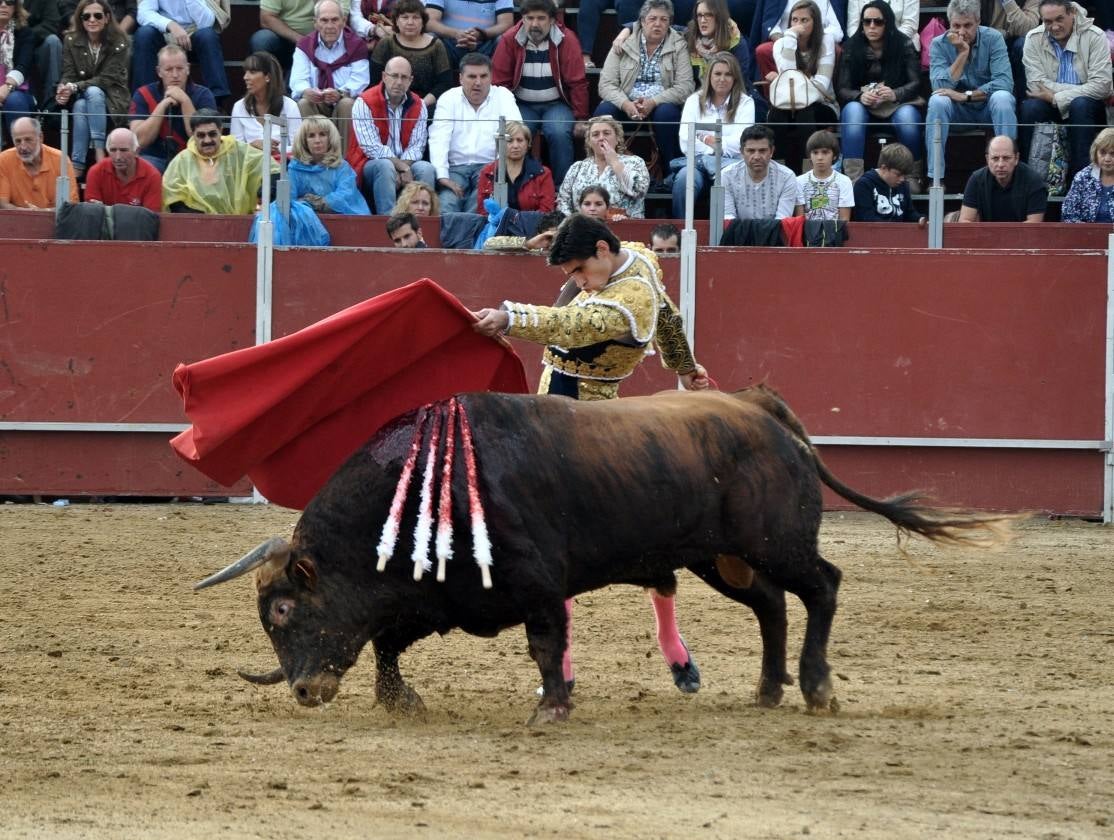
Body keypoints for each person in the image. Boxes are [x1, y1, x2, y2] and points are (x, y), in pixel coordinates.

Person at [470, 213, 709, 695]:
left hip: (593, 423)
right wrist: (684, 367)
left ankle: (669, 638)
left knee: (640, 538)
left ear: (602, 252)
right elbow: (668, 317)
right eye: (571, 275)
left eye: (579, 271)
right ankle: (563, 664)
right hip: (548, 404)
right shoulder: (634, 255)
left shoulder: (630, 299)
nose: (578, 283)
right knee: (546, 538)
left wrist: (511, 317)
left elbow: (574, 323)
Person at [491, 0, 588, 187]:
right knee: (516, 135)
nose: (535, 24)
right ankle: (520, 188)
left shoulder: (567, 39)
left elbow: (578, 82)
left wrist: (581, 117)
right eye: (530, 18)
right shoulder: (509, 39)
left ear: (552, 20)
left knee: (559, 132)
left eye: (541, 18)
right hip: (521, 104)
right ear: (522, 18)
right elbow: (499, 84)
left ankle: (563, 190)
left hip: (556, 104)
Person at [1019, 0, 1112, 185]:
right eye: (1047, 21)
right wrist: (1076, 90)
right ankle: (1032, 181)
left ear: (1072, 14)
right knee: (1030, 108)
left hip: (1088, 106)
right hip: (1050, 104)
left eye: (1059, 19)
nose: (1054, 26)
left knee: (1081, 104)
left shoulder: (1095, 35)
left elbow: (1102, 86)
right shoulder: (1033, 38)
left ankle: (1082, 181)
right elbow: (1035, 86)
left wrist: (1056, 97)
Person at [925, 0, 1016, 185]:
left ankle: (1011, 171)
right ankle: (936, 178)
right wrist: (962, 53)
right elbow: (940, 86)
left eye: (967, 25)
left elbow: (1005, 83)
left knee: (1003, 98)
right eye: (956, 26)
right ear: (949, 24)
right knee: (937, 101)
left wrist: (965, 95)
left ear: (978, 21)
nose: (961, 32)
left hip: (987, 109)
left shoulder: (994, 38)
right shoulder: (938, 44)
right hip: (958, 112)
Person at [595, 0, 695, 166]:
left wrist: (653, 102)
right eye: (652, 19)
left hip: (660, 103)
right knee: (604, 111)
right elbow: (605, 84)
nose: (658, 24)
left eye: (664, 20)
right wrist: (625, 104)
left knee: (667, 114)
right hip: (626, 100)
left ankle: (671, 169)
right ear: (641, 22)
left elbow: (685, 87)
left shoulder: (679, 44)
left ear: (670, 23)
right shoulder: (622, 43)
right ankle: (603, 167)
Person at [836, 0, 923, 185]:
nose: (872, 26)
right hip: (863, 106)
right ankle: (853, 180)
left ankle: (912, 176)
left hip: (897, 104)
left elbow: (916, 82)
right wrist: (860, 96)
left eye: (878, 22)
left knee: (908, 118)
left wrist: (895, 93)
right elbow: (842, 88)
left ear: (888, 23)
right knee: (852, 112)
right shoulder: (851, 47)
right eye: (867, 22)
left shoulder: (904, 44)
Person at [428, 51, 521, 213]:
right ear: (460, 78)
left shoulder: (504, 96)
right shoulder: (448, 98)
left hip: (491, 168)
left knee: (477, 208)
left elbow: (515, 132)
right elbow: (438, 139)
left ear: (491, 77)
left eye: (483, 76)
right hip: (455, 168)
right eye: (472, 77)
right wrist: (442, 176)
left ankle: (469, 238)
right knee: (446, 207)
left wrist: (499, 169)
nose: (478, 82)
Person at [348, 55, 435, 214]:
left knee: (426, 168)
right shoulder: (364, 101)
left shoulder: (419, 104)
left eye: (404, 77)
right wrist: (400, 167)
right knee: (385, 165)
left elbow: (418, 145)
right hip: (370, 165)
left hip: (405, 163)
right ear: (384, 77)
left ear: (410, 80)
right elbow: (371, 147)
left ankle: (423, 222)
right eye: (394, 76)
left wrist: (404, 168)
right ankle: (389, 221)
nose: (399, 82)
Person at [672, 50, 753, 218]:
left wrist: (706, 139)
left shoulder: (746, 102)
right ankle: (680, 232)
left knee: (729, 180)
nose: (722, 79)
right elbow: (686, 139)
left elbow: (743, 142)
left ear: (735, 78)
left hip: (730, 163)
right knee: (683, 180)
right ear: (709, 76)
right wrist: (716, 148)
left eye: (728, 74)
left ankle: (727, 234)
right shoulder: (694, 100)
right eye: (717, 73)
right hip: (697, 162)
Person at [55, 0, 130, 179]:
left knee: (93, 92)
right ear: (80, 20)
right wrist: (63, 88)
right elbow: (69, 73)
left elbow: (106, 80)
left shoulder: (119, 42)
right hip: (83, 97)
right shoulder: (71, 40)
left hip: (113, 99)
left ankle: (97, 154)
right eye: (86, 16)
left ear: (107, 18)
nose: (92, 20)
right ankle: (79, 165)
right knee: (81, 104)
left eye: (97, 15)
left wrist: (75, 86)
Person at [764, 0, 839, 173]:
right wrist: (790, 38)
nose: (798, 25)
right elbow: (788, 74)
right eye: (794, 20)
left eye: (804, 20)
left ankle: (808, 174)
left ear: (815, 23)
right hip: (787, 104)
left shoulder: (825, 41)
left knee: (805, 113)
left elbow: (821, 86)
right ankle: (779, 173)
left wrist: (791, 83)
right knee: (775, 115)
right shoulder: (781, 44)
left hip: (822, 103)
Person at [611, 0, 753, 86]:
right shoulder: (690, 34)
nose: (703, 20)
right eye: (699, 15)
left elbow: (741, 84)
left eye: (709, 15)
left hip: (733, 97)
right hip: (699, 97)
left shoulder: (736, 42)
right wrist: (627, 30)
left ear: (720, 17)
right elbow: (658, 25)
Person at [162, 108, 277, 214]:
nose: (207, 140)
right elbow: (173, 197)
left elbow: (273, 169)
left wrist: (266, 191)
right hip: (197, 225)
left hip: (239, 224)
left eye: (212, 134)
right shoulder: (182, 160)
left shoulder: (240, 151)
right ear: (192, 134)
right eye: (201, 135)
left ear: (221, 130)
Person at [128, 44, 216, 173]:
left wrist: (185, 100)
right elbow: (139, 141)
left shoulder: (203, 94)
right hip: (153, 158)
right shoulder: (143, 94)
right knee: (143, 167)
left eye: (180, 68)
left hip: (192, 158)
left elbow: (203, 140)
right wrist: (163, 105)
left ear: (188, 69)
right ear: (159, 72)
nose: (175, 75)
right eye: (169, 69)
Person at [290, 0, 369, 136]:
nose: (330, 26)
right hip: (317, 102)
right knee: (304, 103)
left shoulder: (356, 45)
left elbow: (360, 80)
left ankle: (345, 157)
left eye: (334, 20)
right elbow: (298, 79)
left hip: (343, 101)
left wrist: (340, 93)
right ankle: (312, 156)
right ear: (315, 23)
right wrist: (307, 91)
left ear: (344, 21)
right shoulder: (304, 45)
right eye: (324, 20)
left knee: (347, 104)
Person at [131, 0, 229, 100]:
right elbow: (144, 14)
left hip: (193, 34)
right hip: (163, 33)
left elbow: (206, 22)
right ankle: (143, 100)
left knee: (208, 36)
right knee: (144, 34)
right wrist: (170, 25)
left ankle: (217, 101)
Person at [557, 114, 651, 217]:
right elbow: (563, 201)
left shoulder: (635, 162)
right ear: (589, 142)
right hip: (582, 228)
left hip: (624, 228)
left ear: (617, 139)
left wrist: (614, 162)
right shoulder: (577, 168)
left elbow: (638, 191)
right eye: (595, 135)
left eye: (606, 133)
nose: (601, 138)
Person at [368, 0, 452, 109]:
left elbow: (444, 83)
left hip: (426, 104)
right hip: (389, 102)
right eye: (405, 17)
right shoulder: (386, 43)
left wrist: (421, 104)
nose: (410, 22)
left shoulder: (436, 45)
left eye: (416, 17)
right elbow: (375, 81)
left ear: (423, 21)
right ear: (396, 21)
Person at [958, 134, 1047, 221]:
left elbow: (1034, 226)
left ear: (1016, 158)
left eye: (1006, 158)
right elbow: (965, 221)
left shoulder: (1033, 181)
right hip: (986, 235)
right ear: (987, 159)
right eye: (995, 158)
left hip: (1021, 235)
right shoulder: (976, 180)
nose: (1000, 164)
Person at [475, 119, 556, 213]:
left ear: (528, 143)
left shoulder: (543, 173)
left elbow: (546, 211)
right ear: (500, 144)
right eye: (510, 141)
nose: (515, 145)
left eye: (520, 140)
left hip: (532, 226)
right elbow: (482, 211)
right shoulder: (488, 172)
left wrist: (518, 221)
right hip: (496, 226)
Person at [232, 51, 302, 158]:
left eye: (252, 72)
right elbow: (235, 149)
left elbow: (298, 147)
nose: (245, 77)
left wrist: (274, 148)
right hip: (250, 168)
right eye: (246, 72)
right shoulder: (239, 107)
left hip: (282, 167)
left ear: (268, 76)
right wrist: (252, 146)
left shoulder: (290, 106)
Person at [0, 116, 79, 208]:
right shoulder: (4, 160)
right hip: (17, 221)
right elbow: (2, 204)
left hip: (54, 221)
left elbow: (71, 205)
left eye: (28, 140)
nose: (23, 147)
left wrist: (42, 214)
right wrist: (28, 214)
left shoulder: (61, 160)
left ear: (40, 137)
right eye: (18, 141)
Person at [721, 123, 797, 219]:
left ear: (772, 151)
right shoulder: (727, 175)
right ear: (741, 152)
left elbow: (782, 220)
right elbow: (728, 217)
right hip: (737, 233)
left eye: (762, 151)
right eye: (751, 151)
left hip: (774, 232)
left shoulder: (787, 177)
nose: (756, 157)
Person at [752, 0, 843, 80]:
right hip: (784, 38)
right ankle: (774, 96)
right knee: (763, 50)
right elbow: (771, 25)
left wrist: (813, 37)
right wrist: (788, 41)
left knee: (836, 50)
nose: (799, 24)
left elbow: (836, 29)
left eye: (803, 20)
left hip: (817, 41)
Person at [84, 125, 162, 210]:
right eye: (113, 150)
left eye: (123, 150)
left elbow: (151, 218)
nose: (118, 157)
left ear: (136, 151)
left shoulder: (152, 176)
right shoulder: (96, 172)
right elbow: (92, 215)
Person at [424, 0, 514, 67]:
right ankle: (437, 85)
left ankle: (499, 83)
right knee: (430, 38)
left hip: (485, 45)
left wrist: (482, 34)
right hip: (449, 45)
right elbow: (429, 22)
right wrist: (456, 34)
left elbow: (507, 24)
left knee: (503, 40)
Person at [851, 140, 923, 222]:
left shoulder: (903, 185)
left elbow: (909, 213)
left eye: (904, 175)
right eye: (898, 174)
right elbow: (866, 217)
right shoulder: (864, 185)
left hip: (898, 233)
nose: (902, 179)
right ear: (884, 168)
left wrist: (920, 219)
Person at [795, 128, 853, 219]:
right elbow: (799, 220)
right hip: (807, 232)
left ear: (834, 156)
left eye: (825, 152)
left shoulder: (844, 181)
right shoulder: (799, 181)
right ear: (809, 155)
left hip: (835, 231)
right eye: (815, 153)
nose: (820, 157)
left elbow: (844, 221)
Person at [1061, 127, 1114, 223]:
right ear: (1095, 153)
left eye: (1112, 154)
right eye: (1102, 153)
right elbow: (1068, 215)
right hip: (1087, 236)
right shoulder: (1082, 177)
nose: (1107, 159)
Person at [0, 0, 37, 137]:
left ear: (15, 7)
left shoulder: (25, 33)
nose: (3, 5)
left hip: (18, 90)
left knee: (15, 100)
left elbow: (23, 65)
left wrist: (7, 87)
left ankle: (19, 154)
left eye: (9, 2)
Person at [845, 0, 918, 46]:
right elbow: (853, 26)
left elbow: (910, 25)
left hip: (900, 44)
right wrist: (868, 43)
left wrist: (886, 43)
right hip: (865, 44)